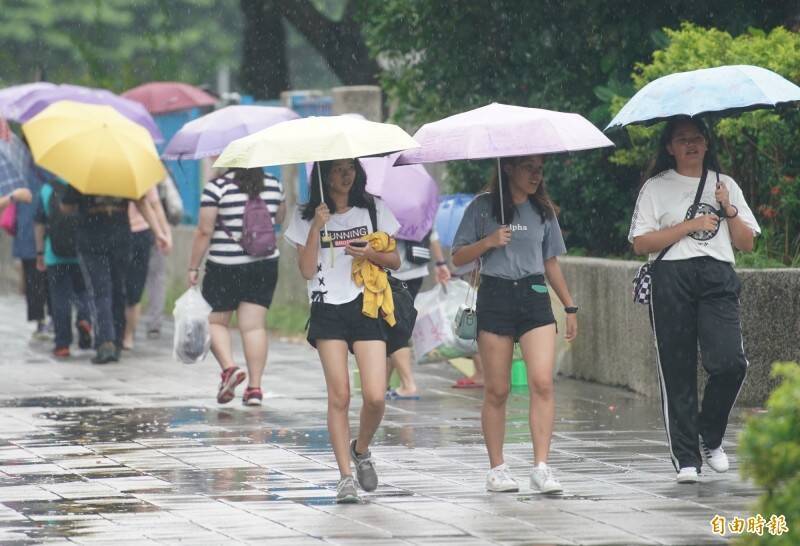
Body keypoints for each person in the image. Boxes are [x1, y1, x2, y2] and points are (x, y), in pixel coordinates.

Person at [628, 117, 759, 484]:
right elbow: (640, 243)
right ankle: (686, 458)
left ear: (706, 144)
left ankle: (710, 435)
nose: (691, 145)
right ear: (669, 147)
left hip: (717, 276)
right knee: (677, 369)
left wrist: (727, 208)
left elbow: (747, 242)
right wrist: (689, 226)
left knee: (730, 362)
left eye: (697, 138)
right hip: (671, 277)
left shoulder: (725, 184)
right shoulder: (655, 187)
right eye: (682, 139)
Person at [451, 154, 577, 494]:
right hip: (496, 295)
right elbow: (458, 258)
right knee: (497, 389)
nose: (536, 175)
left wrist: (569, 305)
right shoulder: (482, 208)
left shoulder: (542, 211)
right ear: (508, 168)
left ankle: (541, 467)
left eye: (540, 169)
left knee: (542, 382)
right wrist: (488, 242)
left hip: (534, 295)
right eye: (529, 168)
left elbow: (550, 262)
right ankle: (497, 468)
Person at [284, 158, 400, 504]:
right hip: (326, 309)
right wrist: (316, 228)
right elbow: (306, 270)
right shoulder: (306, 215)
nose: (346, 174)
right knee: (340, 396)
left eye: (350, 167)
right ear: (323, 175)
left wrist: (370, 253)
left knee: (376, 395)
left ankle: (360, 448)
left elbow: (395, 261)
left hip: (366, 304)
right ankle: (345, 477)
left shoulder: (373, 209)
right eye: (337, 169)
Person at [188, 167, 286, 406]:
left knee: (214, 322)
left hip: (225, 265)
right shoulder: (273, 184)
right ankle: (254, 389)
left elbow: (204, 230)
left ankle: (230, 368)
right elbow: (279, 219)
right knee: (253, 327)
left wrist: (193, 266)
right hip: (264, 263)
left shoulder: (217, 187)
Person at [61, 187, 169, 364]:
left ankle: (106, 341)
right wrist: (159, 233)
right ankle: (116, 341)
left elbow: (66, 207)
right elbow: (142, 202)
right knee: (118, 289)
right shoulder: (124, 170)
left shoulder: (84, 173)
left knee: (100, 290)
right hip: (120, 238)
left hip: (91, 239)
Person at [385, 230, 450, 400]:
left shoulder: (388, 208)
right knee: (392, 326)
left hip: (395, 272)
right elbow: (433, 234)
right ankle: (382, 384)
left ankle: (408, 384)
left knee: (394, 327)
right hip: (417, 269)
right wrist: (440, 263)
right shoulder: (419, 206)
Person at [33, 179, 92, 357]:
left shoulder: (46, 189)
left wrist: (40, 253)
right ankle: (84, 318)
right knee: (83, 292)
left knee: (60, 298)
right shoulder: (83, 185)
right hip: (81, 251)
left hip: (54, 253)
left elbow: (39, 223)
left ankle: (62, 344)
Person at [121, 186, 172, 350]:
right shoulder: (139, 169)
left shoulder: (140, 172)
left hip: (135, 234)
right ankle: (124, 334)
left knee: (132, 288)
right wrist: (164, 233)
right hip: (124, 233)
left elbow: (155, 205)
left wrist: (164, 233)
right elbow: (155, 205)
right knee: (126, 287)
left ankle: (127, 334)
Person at [142, 175, 183, 339]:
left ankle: (125, 327)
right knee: (156, 278)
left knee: (130, 281)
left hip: (131, 232)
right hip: (153, 231)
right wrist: (165, 233)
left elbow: (153, 204)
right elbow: (160, 206)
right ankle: (154, 322)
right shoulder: (155, 169)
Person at [12, 170, 50, 340]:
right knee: (50, 278)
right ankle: (52, 318)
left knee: (34, 278)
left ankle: (40, 321)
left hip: (27, 231)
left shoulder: (18, 168)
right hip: (47, 231)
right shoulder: (52, 168)